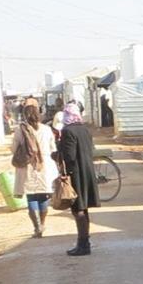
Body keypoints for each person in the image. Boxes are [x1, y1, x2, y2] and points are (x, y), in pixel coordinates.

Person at [54, 103, 100, 257]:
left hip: (77, 175)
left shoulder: (67, 131)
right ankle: (84, 243)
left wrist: (56, 154)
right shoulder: (85, 130)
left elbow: (70, 156)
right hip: (87, 172)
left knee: (78, 209)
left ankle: (83, 245)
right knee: (84, 208)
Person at [9, 99, 57, 237]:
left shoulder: (20, 130)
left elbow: (13, 149)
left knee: (31, 197)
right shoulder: (47, 129)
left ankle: (36, 228)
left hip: (27, 167)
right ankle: (42, 224)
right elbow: (53, 148)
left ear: (24, 115)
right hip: (44, 167)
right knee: (43, 197)